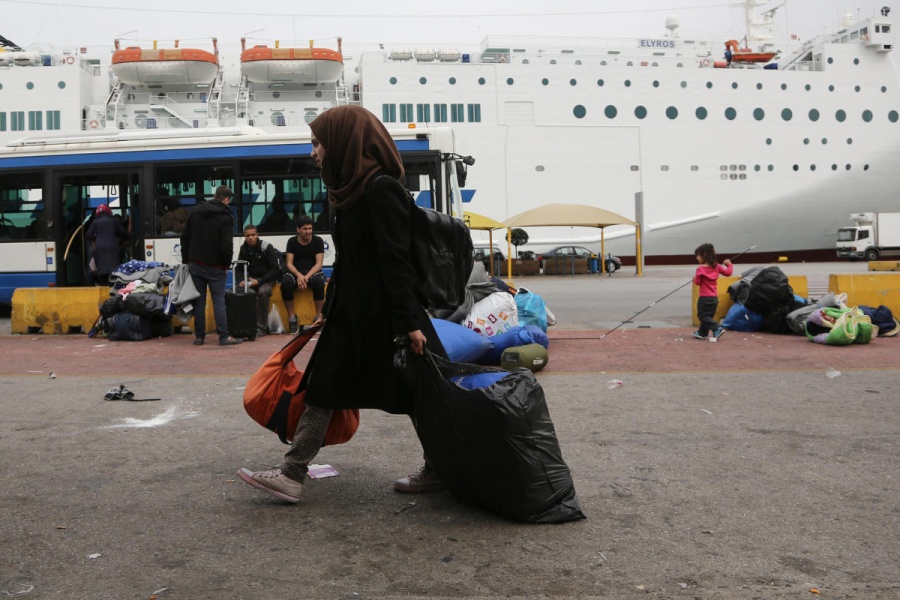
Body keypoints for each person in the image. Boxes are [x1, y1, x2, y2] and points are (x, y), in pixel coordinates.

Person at [237, 105, 447, 503]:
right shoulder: (346, 191)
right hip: (351, 313)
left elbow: (394, 259)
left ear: (342, 142)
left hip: (387, 314)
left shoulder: (381, 189)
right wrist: (328, 309)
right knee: (324, 387)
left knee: (418, 390)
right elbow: (348, 262)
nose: (314, 152)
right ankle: (292, 474)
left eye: (318, 143)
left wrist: (408, 320)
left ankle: (441, 467)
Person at [180, 185, 242, 346]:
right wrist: (226, 264)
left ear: (215, 195)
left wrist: (186, 259)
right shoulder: (225, 216)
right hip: (216, 266)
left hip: (196, 263)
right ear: (226, 199)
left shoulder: (195, 212)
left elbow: (184, 237)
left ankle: (199, 337)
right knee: (218, 299)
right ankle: (223, 336)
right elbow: (226, 245)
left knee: (199, 300)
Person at [280, 214, 326, 333]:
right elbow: (289, 263)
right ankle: (292, 318)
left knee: (319, 282)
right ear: (298, 229)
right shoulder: (292, 241)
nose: (308, 231)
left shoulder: (318, 241)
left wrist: (305, 277)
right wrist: (299, 275)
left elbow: (318, 264)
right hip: (296, 273)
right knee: (286, 283)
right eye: (305, 229)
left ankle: (318, 318)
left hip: (312, 273)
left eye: (310, 228)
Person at [236, 224, 283, 338]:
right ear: (244, 236)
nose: (250, 238)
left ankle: (261, 327)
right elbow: (239, 268)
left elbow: (275, 270)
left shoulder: (266, 247)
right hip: (252, 278)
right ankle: (243, 325)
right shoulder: (244, 248)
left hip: (268, 278)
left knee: (263, 292)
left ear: (257, 235)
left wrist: (260, 282)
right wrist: (241, 281)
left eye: (253, 235)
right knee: (238, 291)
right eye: (248, 236)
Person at [693, 242, 733, 340]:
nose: (697, 258)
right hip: (714, 298)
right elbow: (728, 273)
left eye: (698, 256)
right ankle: (702, 332)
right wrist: (729, 264)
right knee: (708, 316)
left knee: (702, 316)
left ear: (704, 255)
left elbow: (698, 282)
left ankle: (717, 328)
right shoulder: (717, 266)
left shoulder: (700, 269)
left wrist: (695, 278)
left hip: (704, 298)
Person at [85, 204, 127, 286]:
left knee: (102, 270)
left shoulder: (95, 222)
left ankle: (103, 285)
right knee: (113, 269)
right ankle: (112, 286)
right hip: (112, 247)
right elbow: (124, 232)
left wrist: (96, 238)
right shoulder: (114, 221)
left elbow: (88, 235)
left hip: (100, 248)